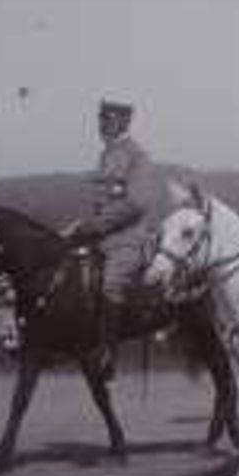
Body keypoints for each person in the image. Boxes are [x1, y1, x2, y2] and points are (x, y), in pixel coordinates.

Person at [67, 98, 166, 366]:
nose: (102, 125)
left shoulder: (138, 156)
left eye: (108, 120)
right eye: (101, 119)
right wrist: (80, 226)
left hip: (129, 238)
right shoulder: (107, 155)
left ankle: (107, 353)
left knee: (111, 282)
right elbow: (104, 202)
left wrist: (93, 227)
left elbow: (135, 203)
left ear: (123, 122)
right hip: (101, 237)